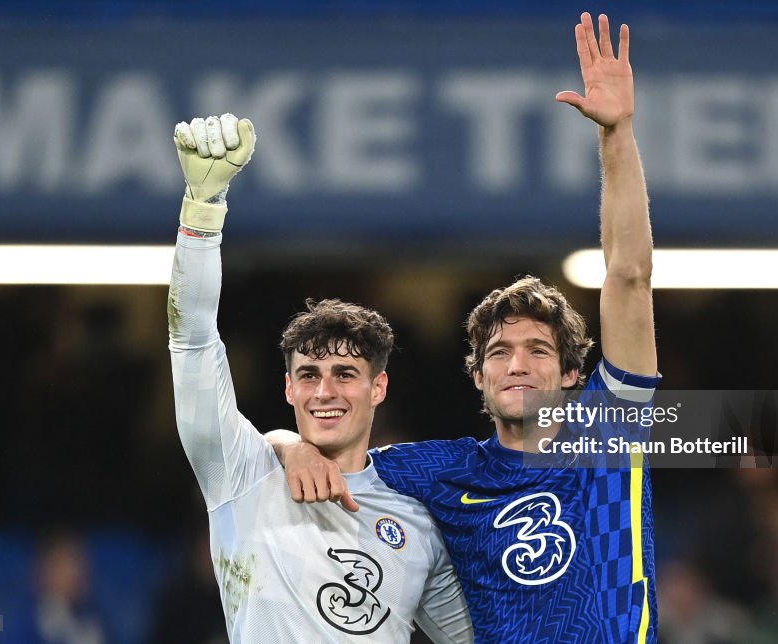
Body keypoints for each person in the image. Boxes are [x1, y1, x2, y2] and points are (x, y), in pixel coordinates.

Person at [271, 12, 661, 643]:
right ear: (478, 377)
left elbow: (628, 276)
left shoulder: (612, 433)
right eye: (500, 352)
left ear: (571, 374)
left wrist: (617, 135)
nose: (518, 364)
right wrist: (287, 443)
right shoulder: (440, 471)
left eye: (539, 350)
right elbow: (333, 443)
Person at [168, 113, 472, 643]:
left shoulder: (417, 520)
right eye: (308, 375)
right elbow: (192, 340)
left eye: (344, 374)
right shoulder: (240, 471)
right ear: (288, 388)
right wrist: (202, 210)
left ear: (379, 387)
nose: (324, 391)